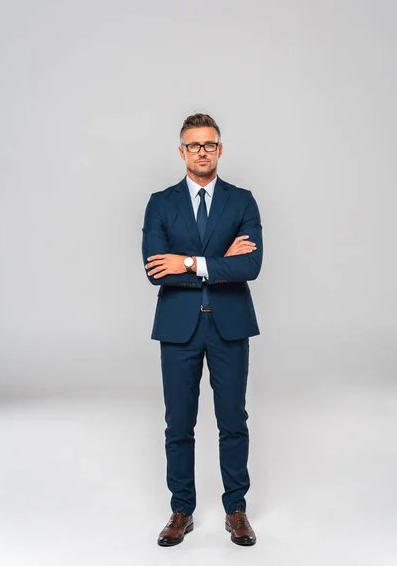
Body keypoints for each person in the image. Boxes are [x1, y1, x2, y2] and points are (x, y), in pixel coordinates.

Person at [141, 113, 263, 546]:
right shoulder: (160, 202)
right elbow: (157, 270)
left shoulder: (242, 200)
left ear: (220, 149)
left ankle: (236, 509)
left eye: (209, 144)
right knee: (179, 423)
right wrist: (218, 262)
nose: (202, 152)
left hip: (230, 324)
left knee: (233, 420)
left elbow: (251, 265)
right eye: (194, 145)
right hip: (178, 326)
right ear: (182, 151)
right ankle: (181, 510)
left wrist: (189, 262)